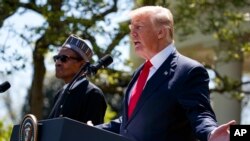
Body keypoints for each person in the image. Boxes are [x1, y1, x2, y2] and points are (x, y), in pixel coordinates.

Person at [96, 6, 236, 141]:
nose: (132, 33)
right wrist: (94, 130)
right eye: (131, 28)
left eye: (138, 27)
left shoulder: (189, 71)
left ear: (161, 32)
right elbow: (130, 121)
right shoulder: (140, 72)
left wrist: (211, 133)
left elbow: (199, 114)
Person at [48, 34, 107, 125]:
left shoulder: (93, 94)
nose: (58, 63)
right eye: (56, 58)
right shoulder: (59, 94)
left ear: (82, 64)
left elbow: (93, 135)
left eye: (64, 59)